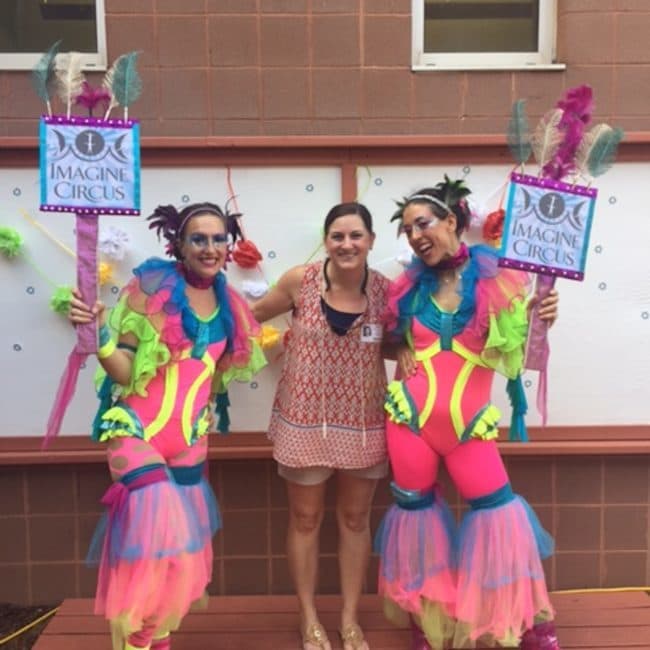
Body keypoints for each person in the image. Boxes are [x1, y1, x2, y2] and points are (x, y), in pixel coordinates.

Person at [68, 202, 265, 650]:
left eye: (219, 239)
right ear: (178, 243)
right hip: (138, 433)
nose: (210, 248)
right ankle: (138, 643)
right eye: (199, 238)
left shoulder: (229, 303)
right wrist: (99, 336)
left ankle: (157, 641)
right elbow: (124, 370)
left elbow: (210, 378)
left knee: (178, 560)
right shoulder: (152, 289)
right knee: (151, 555)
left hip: (189, 443)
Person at [374, 177, 561, 650]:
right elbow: (390, 336)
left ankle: (527, 623)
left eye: (424, 223)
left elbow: (521, 350)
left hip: (466, 428)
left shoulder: (498, 279)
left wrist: (543, 315)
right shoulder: (408, 287)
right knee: (416, 520)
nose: (416, 235)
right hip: (409, 423)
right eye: (408, 228)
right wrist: (400, 350)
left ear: (452, 222)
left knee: (497, 513)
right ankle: (428, 625)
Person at [251, 202, 390, 650]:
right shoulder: (300, 281)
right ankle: (308, 617)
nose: (346, 244)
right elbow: (247, 318)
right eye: (337, 235)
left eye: (355, 235)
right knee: (306, 518)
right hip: (303, 421)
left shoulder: (388, 292)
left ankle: (350, 619)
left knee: (354, 519)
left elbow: (406, 342)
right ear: (326, 240)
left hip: (365, 424)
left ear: (370, 240)